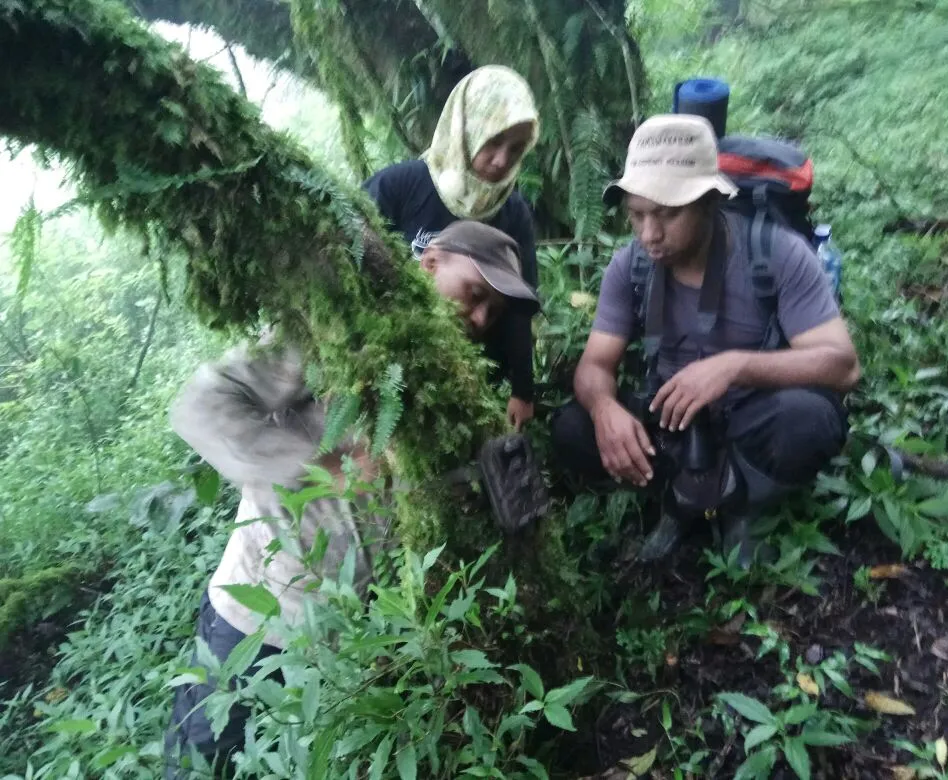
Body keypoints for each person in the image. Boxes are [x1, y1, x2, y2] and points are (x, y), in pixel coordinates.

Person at [164, 221, 539, 778]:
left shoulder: (442, 385)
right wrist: (314, 463)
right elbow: (200, 406)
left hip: (347, 638)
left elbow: (433, 490)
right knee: (200, 764)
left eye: (495, 314)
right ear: (431, 262)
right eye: (477, 294)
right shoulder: (333, 331)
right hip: (255, 617)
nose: (481, 319)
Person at [551, 115, 861, 565]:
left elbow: (843, 366)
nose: (650, 234)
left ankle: (739, 500)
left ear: (709, 200)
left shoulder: (776, 254)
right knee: (572, 428)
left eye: (668, 213)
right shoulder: (630, 265)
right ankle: (682, 493)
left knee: (809, 419)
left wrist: (734, 367)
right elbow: (595, 365)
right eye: (637, 215)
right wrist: (604, 412)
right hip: (671, 422)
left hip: (751, 417)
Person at [364, 65, 541, 431]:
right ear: (466, 128)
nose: (502, 160)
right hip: (389, 372)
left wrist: (523, 389)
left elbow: (520, 308)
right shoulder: (400, 187)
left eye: (516, 149)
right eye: (493, 141)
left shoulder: (513, 213)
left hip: (472, 379)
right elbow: (348, 258)